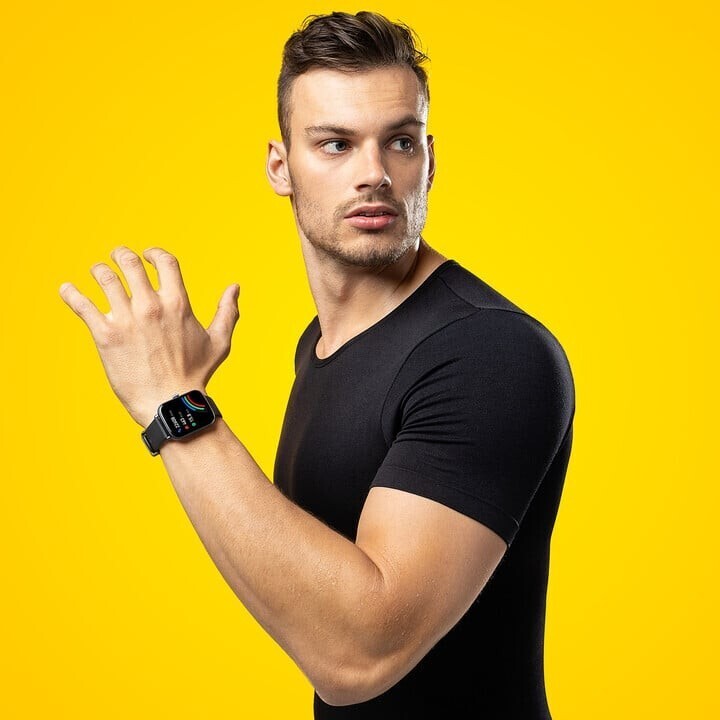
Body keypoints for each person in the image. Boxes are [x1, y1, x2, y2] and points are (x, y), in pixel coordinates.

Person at [59, 10, 575, 719]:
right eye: (336, 144)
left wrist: (174, 404)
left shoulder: (490, 354)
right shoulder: (321, 344)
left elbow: (360, 655)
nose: (374, 174)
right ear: (281, 166)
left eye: (400, 142)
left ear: (430, 159)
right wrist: (180, 399)